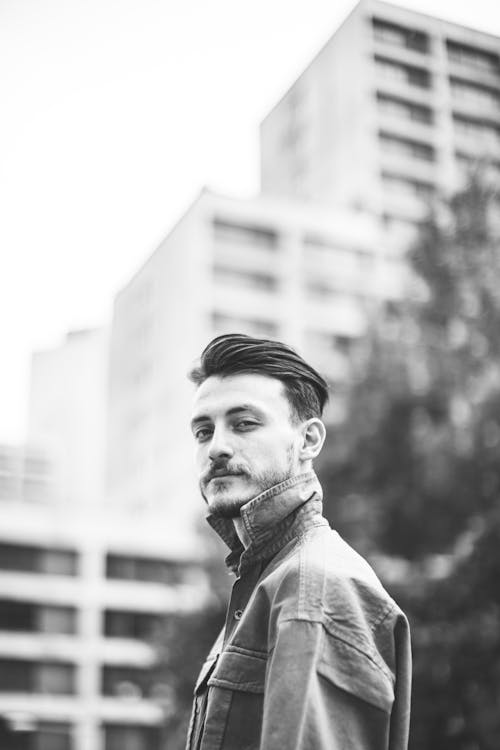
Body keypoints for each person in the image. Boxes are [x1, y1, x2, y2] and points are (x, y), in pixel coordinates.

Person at [186, 333, 411, 750]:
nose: (216, 447)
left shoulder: (313, 585)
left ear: (308, 441)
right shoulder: (265, 579)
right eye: (203, 431)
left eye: (244, 424)